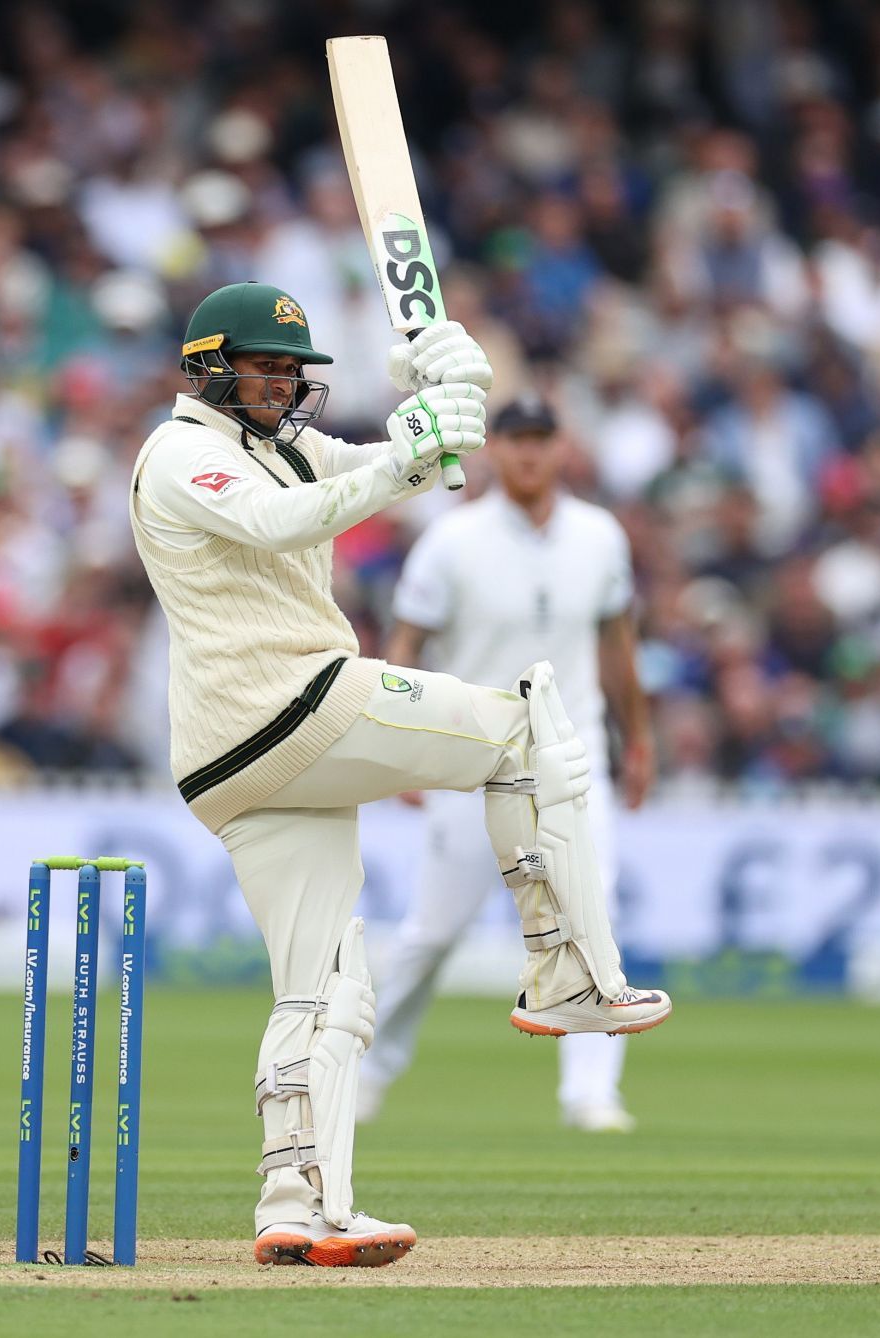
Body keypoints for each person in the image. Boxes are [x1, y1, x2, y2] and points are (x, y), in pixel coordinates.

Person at [128, 282, 672, 1268]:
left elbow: (386, 472)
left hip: (237, 764)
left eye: (297, 370)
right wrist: (416, 441)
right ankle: (566, 973)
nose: (287, 383)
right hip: (286, 707)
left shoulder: (280, 443)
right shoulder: (180, 455)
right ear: (211, 367)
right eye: (267, 367)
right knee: (527, 731)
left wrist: (440, 408)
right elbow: (290, 521)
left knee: (327, 989)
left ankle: (298, 1208)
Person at [362, 395, 655, 1133]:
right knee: (432, 931)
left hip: (572, 759)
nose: (529, 455)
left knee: (592, 915)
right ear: (496, 450)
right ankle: (369, 1071)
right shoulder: (451, 541)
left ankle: (590, 1089)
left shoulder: (599, 536)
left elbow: (618, 646)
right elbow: (406, 648)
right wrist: (404, 744)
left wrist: (639, 738)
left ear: (562, 449)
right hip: (472, 758)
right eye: (517, 442)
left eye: (541, 441)